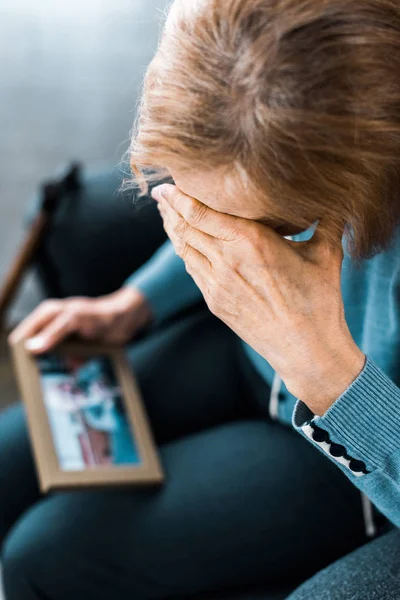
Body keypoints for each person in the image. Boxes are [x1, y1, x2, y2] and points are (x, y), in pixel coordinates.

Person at [1, 0, 400, 598]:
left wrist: (324, 372)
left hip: (352, 455)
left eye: (267, 228)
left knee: (45, 556)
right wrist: (132, 303)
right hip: (242, 359)